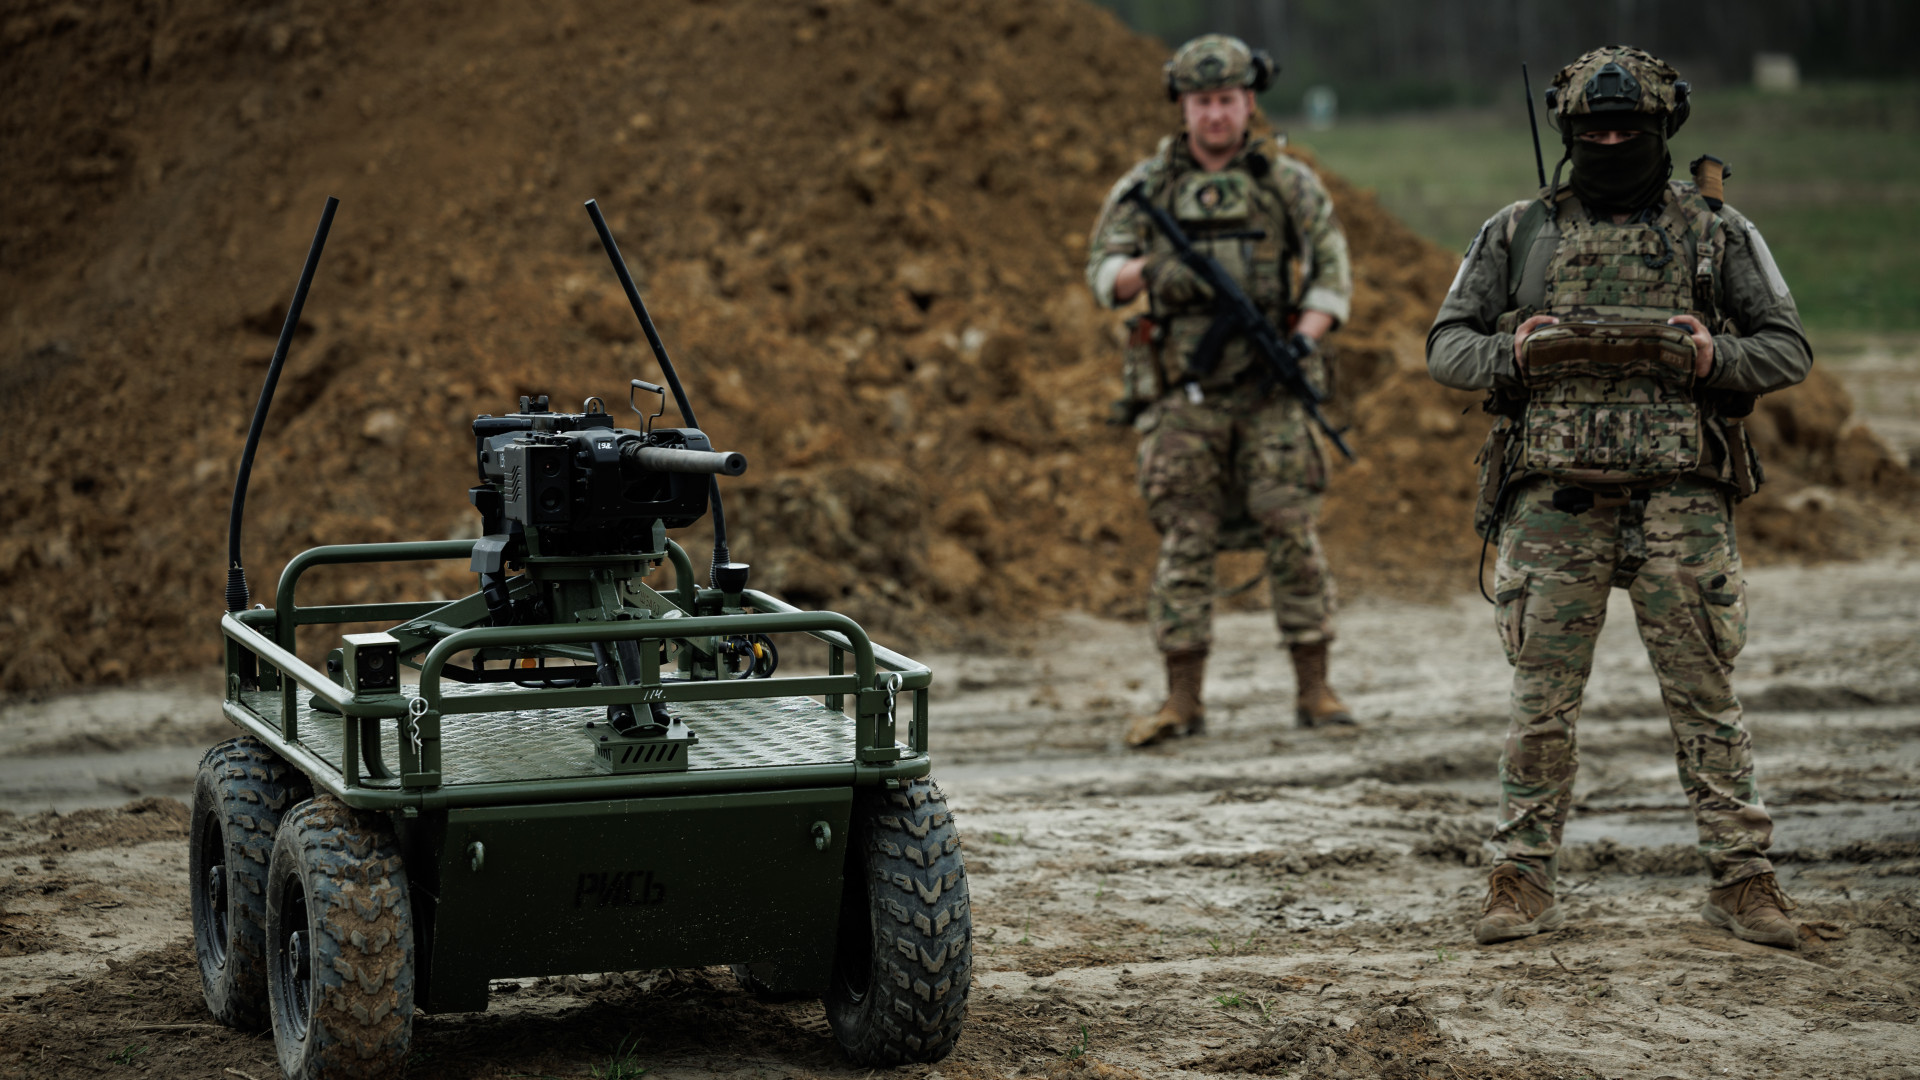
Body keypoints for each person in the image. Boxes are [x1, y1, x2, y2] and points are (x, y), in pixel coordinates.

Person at [1426, 46, 1813, 949]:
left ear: (1662, 131)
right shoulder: (1518, 233)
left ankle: (1743, 879)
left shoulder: (1718, 232)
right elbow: (1446, 347)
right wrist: (1516, 353)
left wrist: (1715, 357)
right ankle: (1520, 877)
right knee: (1541, 705)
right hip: (1555, 501)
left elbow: (1788, 348)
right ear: (1565, 131)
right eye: (1591, 129)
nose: (1608, 141)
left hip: (1681, 498)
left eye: (1627, 129)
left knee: (1705, 696)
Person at [1085, 34, 1357, 749]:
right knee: (1186, 539)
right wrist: (1161, 266)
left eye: (1227, 101)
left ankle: (1315, 688)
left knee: (1291, 530)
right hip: (1184, 394)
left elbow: (1332, 272)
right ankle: (1182, 700)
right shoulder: (1148, 189)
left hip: (1271, 389)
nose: (1215, 115)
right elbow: (1104, 275)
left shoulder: (1287, 183)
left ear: (1249, 103)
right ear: (1183, 105)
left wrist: (1302, 337)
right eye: (1202, 102)